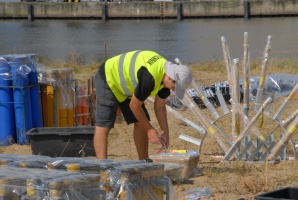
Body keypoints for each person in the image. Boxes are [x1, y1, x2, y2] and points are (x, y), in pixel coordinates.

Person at [93, 50, 192, 161]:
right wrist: (149, 130)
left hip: (128, 85)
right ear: (170, 77)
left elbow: (159, 106)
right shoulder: (150, 77)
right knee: (104, 126)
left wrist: (165, 132)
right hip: (108, 77)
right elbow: (134, 106)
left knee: (141, 122)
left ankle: (143, 162)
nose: (173, 90)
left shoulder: (166, 77)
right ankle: (103, 169)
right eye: (175, 87)